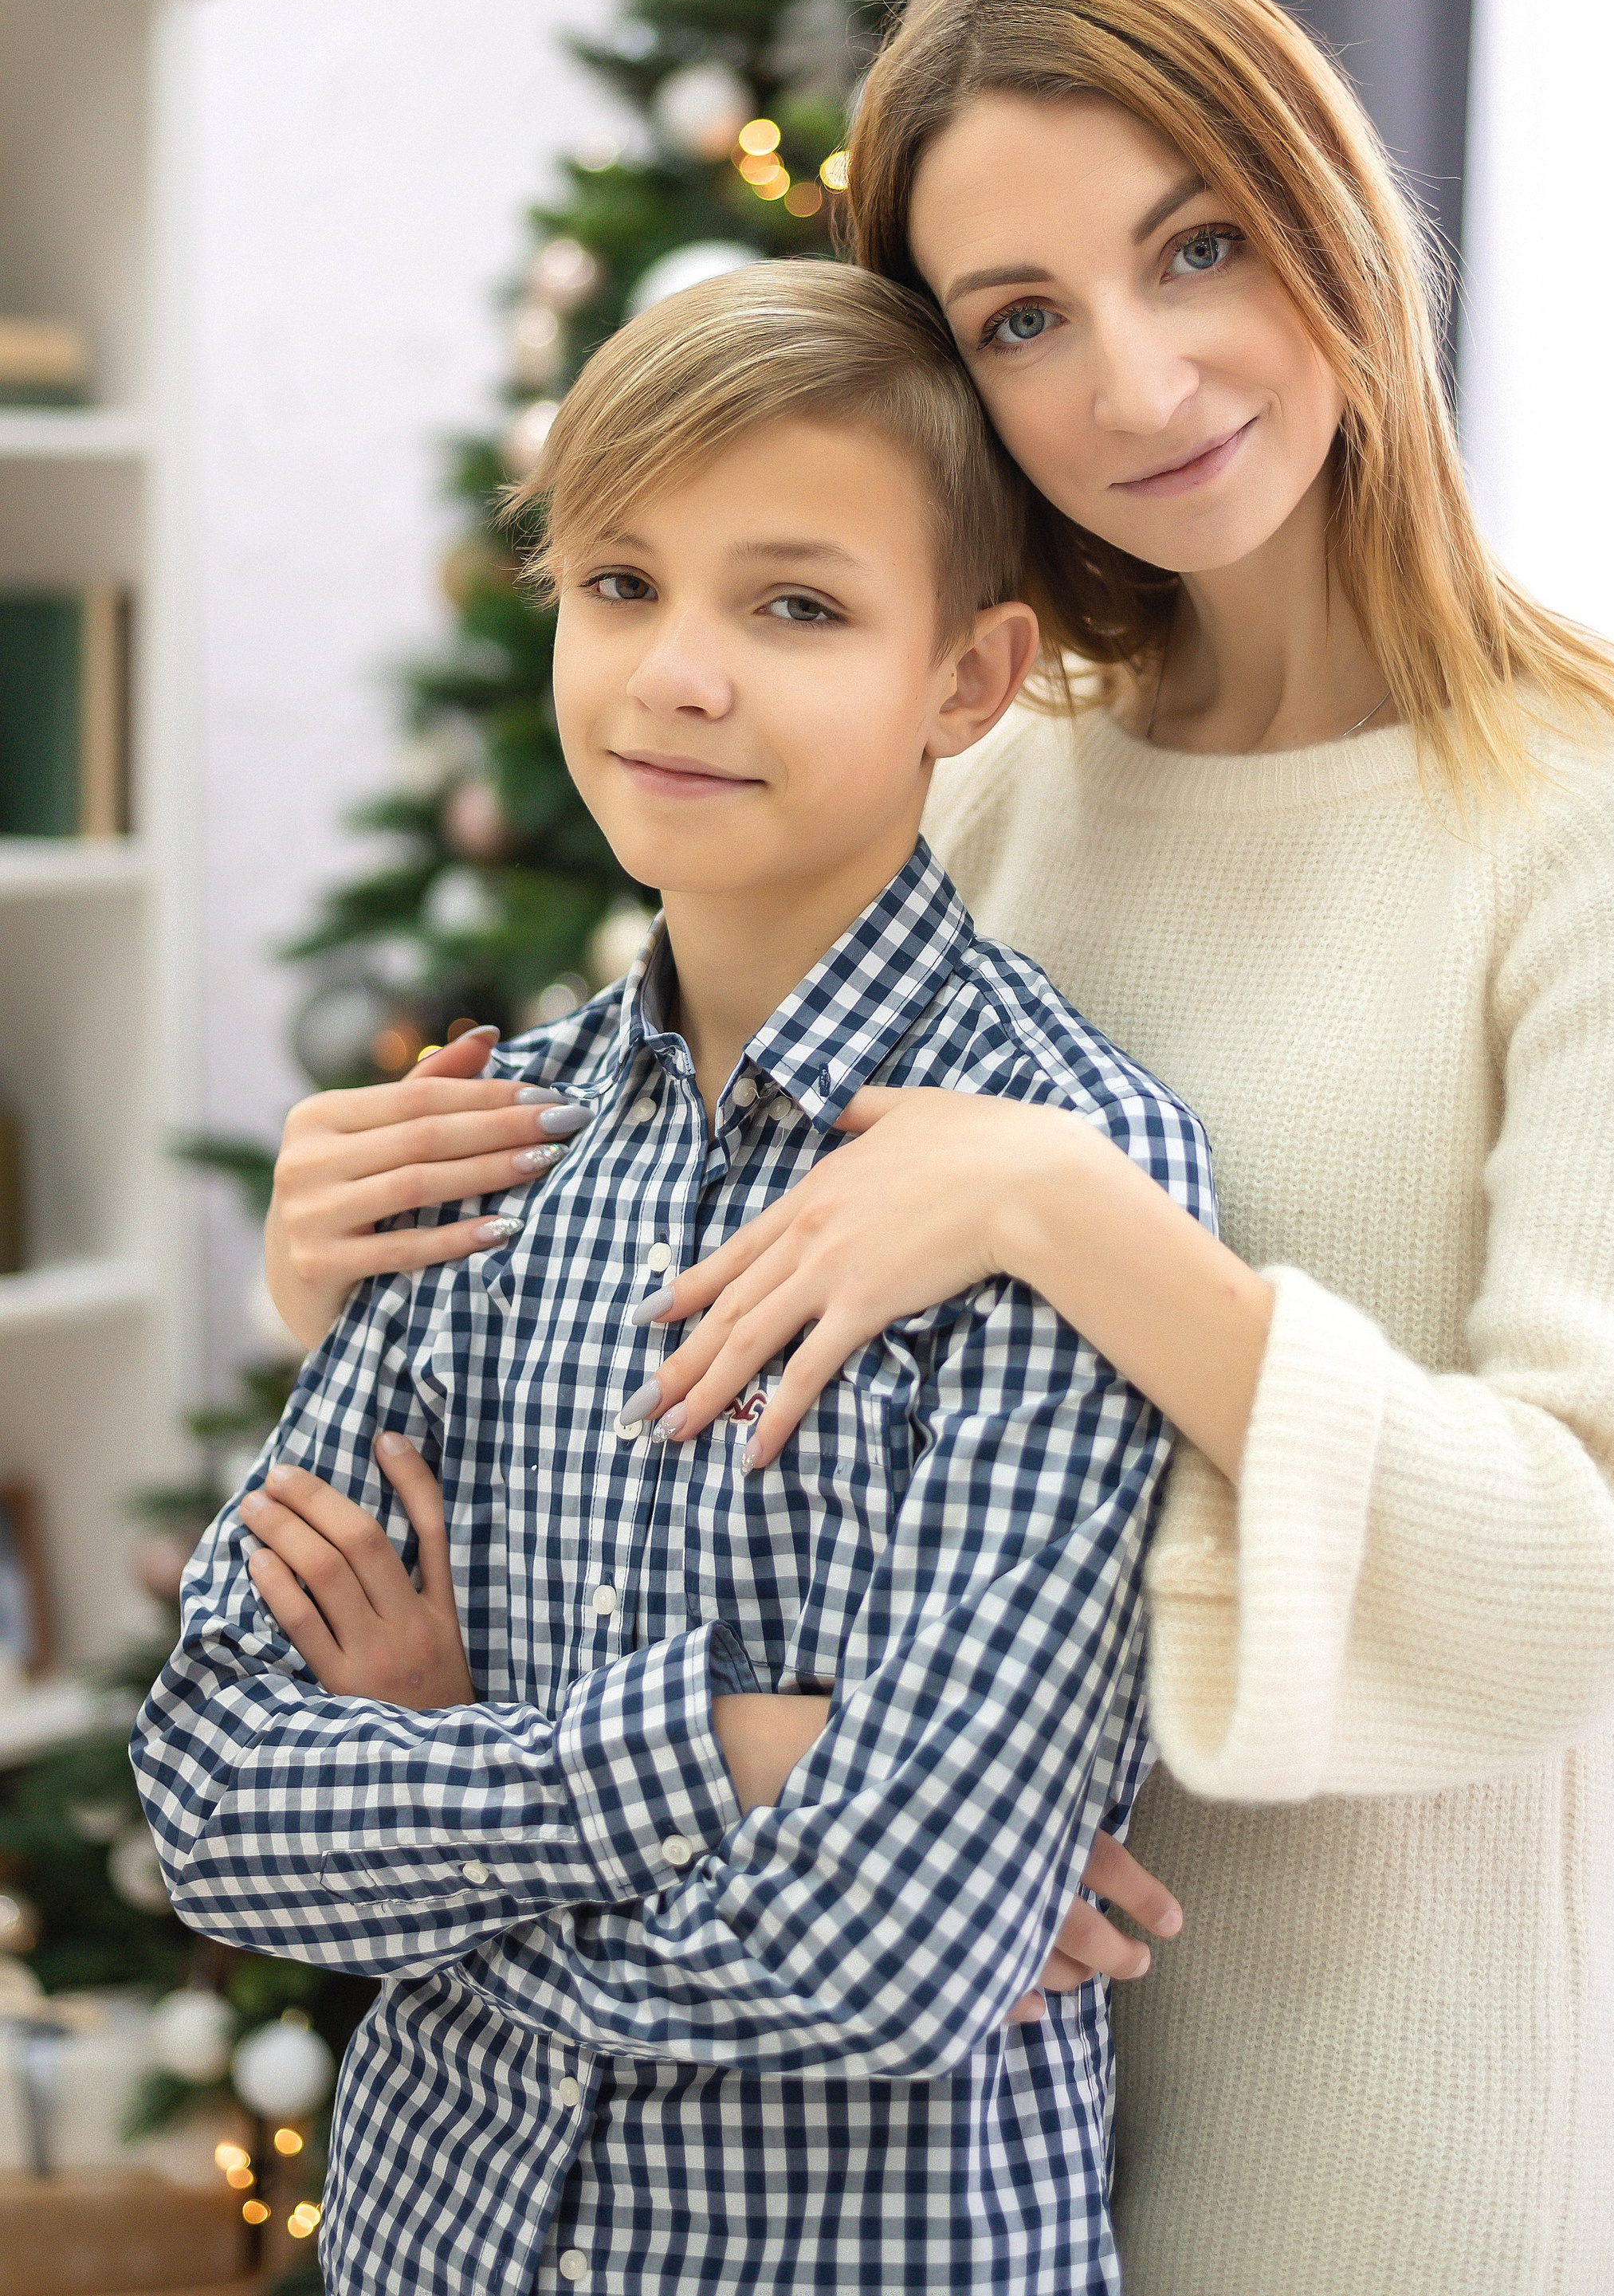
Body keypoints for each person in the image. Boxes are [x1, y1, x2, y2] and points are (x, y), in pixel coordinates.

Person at [615, 0, 1614, 2294]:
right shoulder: (987, 765)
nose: (1138, 380)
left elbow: (1580, 1560)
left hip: (1391, 2116)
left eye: (1197, 247)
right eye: (1021, 319)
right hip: (935, 2075)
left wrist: (1067, 1213)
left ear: (1330, 213)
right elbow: (626, 1199)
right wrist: (358, 1228)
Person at [133, 260, 1217, 2296]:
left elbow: (905, 1951)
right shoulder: (481, 1143)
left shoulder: (1063, 1173)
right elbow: (212, 1793)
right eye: (620, 582)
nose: (674, 675)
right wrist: (729, 1750)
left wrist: (445, 1782)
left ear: (965, 681)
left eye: (793, 605)